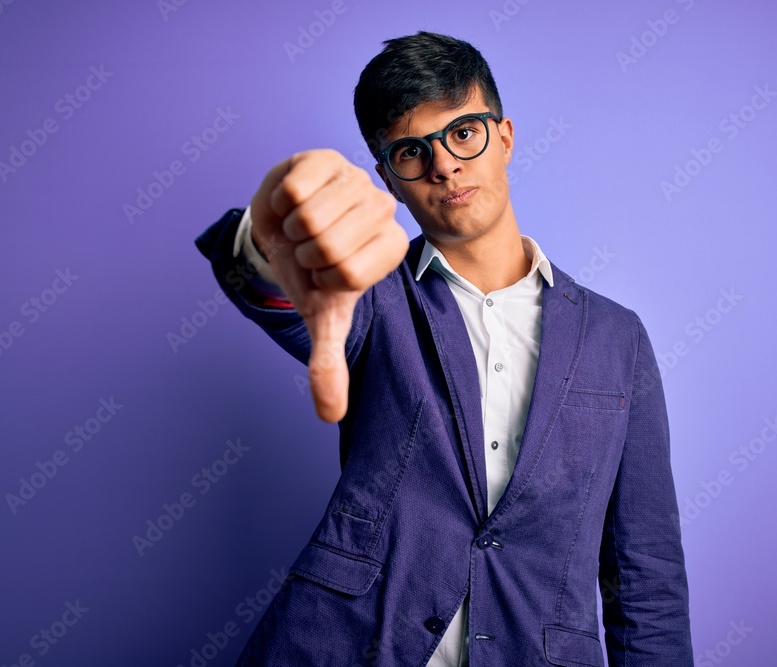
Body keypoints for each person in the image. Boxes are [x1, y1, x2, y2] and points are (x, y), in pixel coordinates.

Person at [195, 30, 693, 667]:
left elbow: (644, 571)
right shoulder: (371, 300)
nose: (444, 165)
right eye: (411, 151)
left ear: (504, 137)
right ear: (388, 178)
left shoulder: (617, 338)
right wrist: (270, 241)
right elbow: (288, 296)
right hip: (347, 646)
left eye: (463, 133)